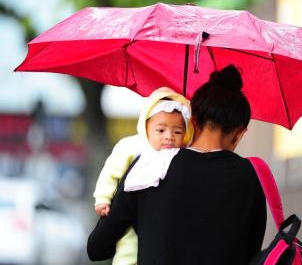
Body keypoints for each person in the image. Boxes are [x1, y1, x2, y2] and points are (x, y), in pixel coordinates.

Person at [87, 64, 267, 265]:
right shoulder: (250, 177)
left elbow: (97, 248)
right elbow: (252, 253)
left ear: (193, 119)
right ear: (240, 133)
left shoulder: (150, 167)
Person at [93, 87, 194, 265]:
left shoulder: (182, 157)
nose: (169, 137)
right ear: (145, 127)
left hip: (158, 222)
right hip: (132, 209)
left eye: (177, 132)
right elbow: (110, 172)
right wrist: (103, 197)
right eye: (161, 131)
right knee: (128, 246)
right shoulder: (131, 146)